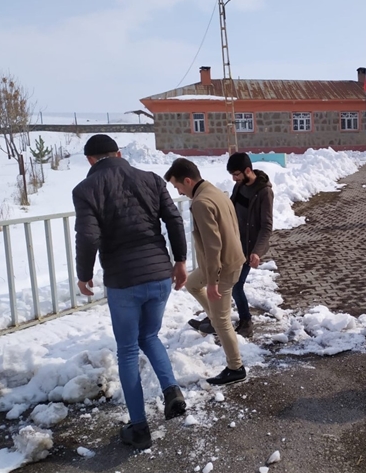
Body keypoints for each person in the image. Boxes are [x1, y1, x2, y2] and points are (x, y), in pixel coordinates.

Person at [73, 134, 188, 450]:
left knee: (127, 350)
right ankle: (171, 390)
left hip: (124, 281)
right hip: (159, 274)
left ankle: (139, 428)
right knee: (149, 336)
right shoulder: (151, 179)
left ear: (90, 160)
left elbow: (88, 236)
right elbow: (174, 219)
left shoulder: (86, 189)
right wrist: (180, 261)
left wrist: (84, 275)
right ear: (119, 154)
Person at [164, 158, 248, 386]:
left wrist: (213, 281)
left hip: (222, 267)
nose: (178, 192)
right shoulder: (214, 191)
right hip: (228, 261)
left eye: (177, 186)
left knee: (223, 322)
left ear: (187, 181)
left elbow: (213, 246)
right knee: (192, 284)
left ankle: (236, 367)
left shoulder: (201, 202)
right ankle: (213, 319)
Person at [187, 153, 274, 338]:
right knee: (219, 280)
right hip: (232, 244)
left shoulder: (264, 192)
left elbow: (266, 226)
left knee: (235, 285)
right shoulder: (239, 185)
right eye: (232, 175)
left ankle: (245, 321)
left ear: (248, 170)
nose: (234, 179)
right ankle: (215, 319)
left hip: (248, 249)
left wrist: (257, 252)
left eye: (236, 174)